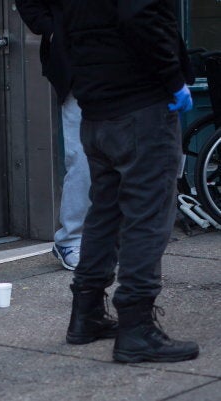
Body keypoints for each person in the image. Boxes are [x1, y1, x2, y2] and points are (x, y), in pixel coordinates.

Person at [62, 0, 199, 362]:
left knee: (106, 212)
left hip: (97, 106)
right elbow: (141, 13)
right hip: (140, 107)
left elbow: (56, 20)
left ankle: (86, 312)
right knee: (148, 217)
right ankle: (136, 328)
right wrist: (173, 79)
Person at [16, 0, 90, 271]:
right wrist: (54, 31)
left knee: (118, 151)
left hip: (116, 63)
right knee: (81, 156)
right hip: (76, 64)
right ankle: (71, 239)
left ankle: (102, 234)